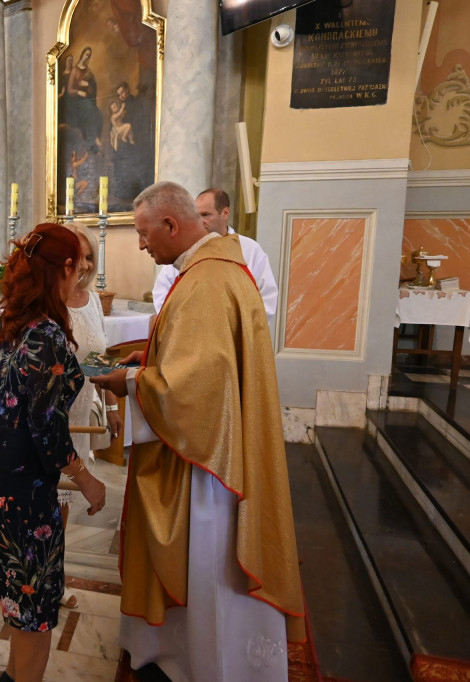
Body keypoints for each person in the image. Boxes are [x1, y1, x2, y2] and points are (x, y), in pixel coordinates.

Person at [90, 182, 305, 682]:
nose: (141, 245)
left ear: (171, 225)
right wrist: (152, 358)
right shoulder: (215, 269)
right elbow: (208, 361)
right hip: (219, 442)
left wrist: (130, 381)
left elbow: (193, 392)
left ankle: (204, 662)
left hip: (208, 461)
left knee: (208, 562)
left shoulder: (206, 281)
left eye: (144, 234)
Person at [0, 223, 107, 682]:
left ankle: (12, 677)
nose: (83, 275)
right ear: (65, 268)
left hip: (2, 470)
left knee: (20, 588)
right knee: (36, 604)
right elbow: (47, 429)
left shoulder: (10, 321)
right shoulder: (47, 334)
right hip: (28, 480)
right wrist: (86, 478)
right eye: (78, 265)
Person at [58, 223, 121, 610]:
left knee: (63, 500)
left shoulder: (92, 299)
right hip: (49, 410)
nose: (82, 262)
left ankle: (54, 577)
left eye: (88, 255)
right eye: (75, 254)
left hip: (81, 408)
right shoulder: (49, 301)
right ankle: (27, 581)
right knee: (46, 494)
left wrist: (112, 405)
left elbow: (100, 358)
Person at [152, 188, 278, 326]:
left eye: (206, 215)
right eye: (196, 215)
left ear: (225, 213)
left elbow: (266, 297)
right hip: (190, 333)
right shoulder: (184, 248)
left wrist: (242, 330)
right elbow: (163, 290)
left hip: (234, 336)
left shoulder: (249, 249)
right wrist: (180, 325)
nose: (199, 221)